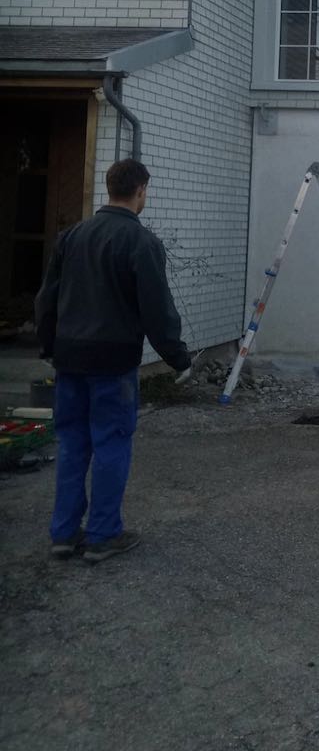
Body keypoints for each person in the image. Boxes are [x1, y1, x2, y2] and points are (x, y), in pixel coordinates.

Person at [35, 159, 192, 563]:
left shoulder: (72, 236)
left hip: (69, 359)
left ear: (109, 188)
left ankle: (63, 534)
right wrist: (178, 357)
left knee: (72, 444)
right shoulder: (141, 242)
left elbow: (47, 298)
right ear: (140, 190)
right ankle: (103, 535)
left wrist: (48, 346)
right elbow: (156, 310)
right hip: (113, 362)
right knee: (110, 443)